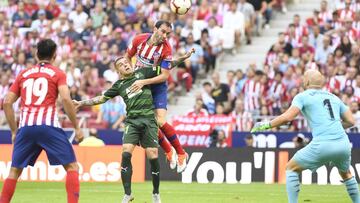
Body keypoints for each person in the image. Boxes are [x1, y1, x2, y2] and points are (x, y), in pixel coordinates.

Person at [251, 69, 360, 203]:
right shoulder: (333, 97)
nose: (302, 80)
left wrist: (266, 125)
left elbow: (288, 117)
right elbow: (351, 121)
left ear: (307, 81)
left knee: (291, 168)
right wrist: (333, 127)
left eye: (303, 78)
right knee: (346, 173)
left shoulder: (303, 96)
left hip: (323, 144)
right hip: (343, 144)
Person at [0, 39, 84, 203]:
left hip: (26, 127)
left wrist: (13, 131)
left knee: (14, 171)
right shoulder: (58, 73)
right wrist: (77, 128)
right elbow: (66, 99)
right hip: (48, 126)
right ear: (54, 55)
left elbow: (7, 102)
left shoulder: (23, 74)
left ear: (36, 54)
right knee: (72, 167)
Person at [73, 57, 161, 203]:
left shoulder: (143, 73)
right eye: (121, 65)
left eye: (126, 62)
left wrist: (179, 59)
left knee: (152, 155)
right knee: (126, 152)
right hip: (132, 121)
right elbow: (101, 99)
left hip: (149, 120)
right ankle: (127, 194)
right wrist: (81, 103)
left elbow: (163, 69)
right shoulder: (119, 85)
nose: (125, 65)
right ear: (118, 71)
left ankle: (156, 194)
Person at [125, 20, 194, 173]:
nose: (165, 36)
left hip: (156, 87)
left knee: (160, 121)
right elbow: (127, 57)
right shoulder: (139, 40)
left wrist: (143, 81)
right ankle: (169, 151)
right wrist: (131, 75)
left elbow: (164, 76)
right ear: (154, 28)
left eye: (168, 34)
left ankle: (181, 153)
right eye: (163, 31)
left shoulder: (166, 49)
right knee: (147, 123)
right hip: (140, 86)